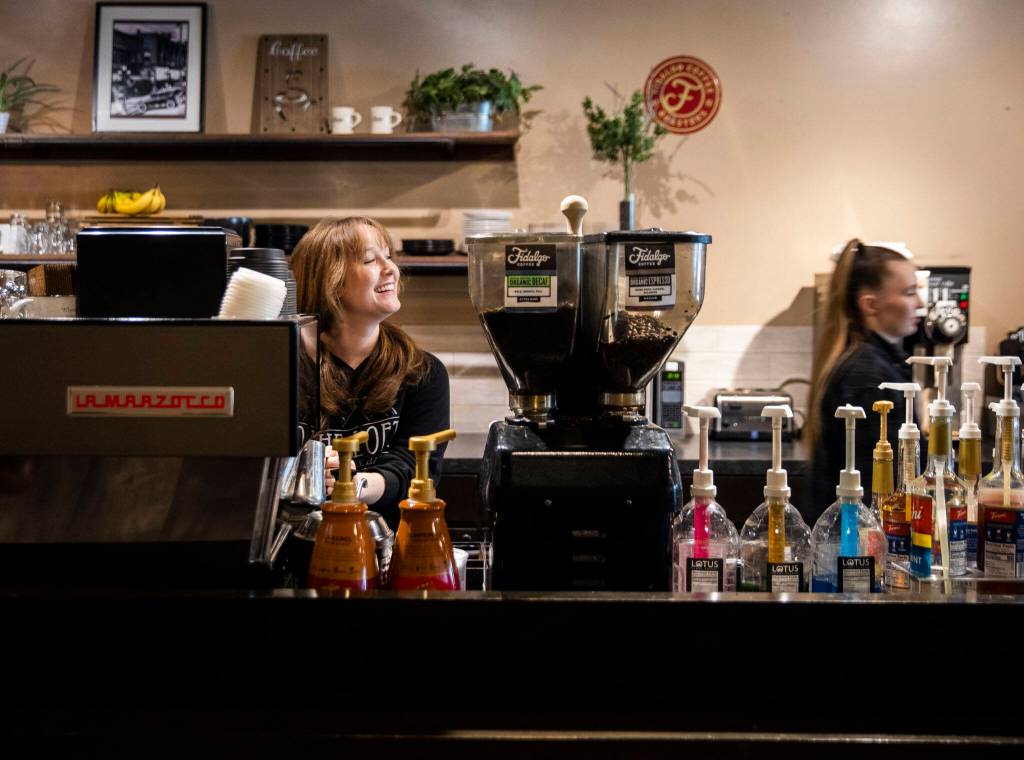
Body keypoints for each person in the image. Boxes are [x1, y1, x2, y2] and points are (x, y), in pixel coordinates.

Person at [291, 216, 450, 529]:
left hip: (385, 549)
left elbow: (416, 471)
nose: (391, 268)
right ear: (330, 281)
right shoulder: (286, 369)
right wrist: (296, 473)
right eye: (369, 259)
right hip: (292, 546)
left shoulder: (422, 372)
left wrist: (351, 484)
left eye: (388, 256)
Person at [804, 239, 925, 524]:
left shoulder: (868, 362)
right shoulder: (871, 379)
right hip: (855, 551)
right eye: (909, 293)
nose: (920, 303)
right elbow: (883, 493)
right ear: (870, 305)